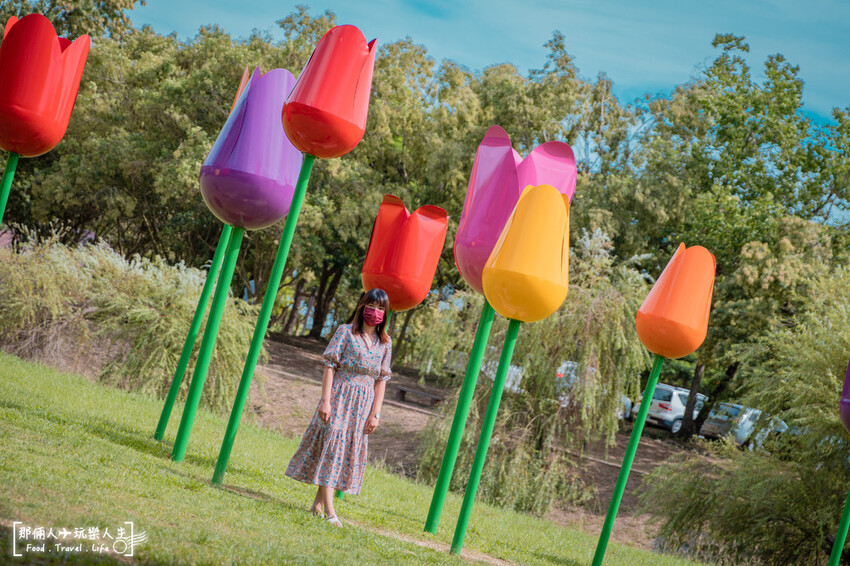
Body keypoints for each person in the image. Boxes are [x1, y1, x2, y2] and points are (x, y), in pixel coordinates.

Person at [285, 288, 392, 527]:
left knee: (341, 451)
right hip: (340, 395)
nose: (375, 312)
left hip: (363, 403)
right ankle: (331, 513)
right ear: (362, 306)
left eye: (381, 308)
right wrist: (325, 400)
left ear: (386, 313)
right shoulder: (345, 332)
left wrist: (375, 414)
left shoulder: (385, 343)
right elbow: (330, 365)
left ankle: (317, 506)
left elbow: (381, 380)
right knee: (332, 446)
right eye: (371, 306)